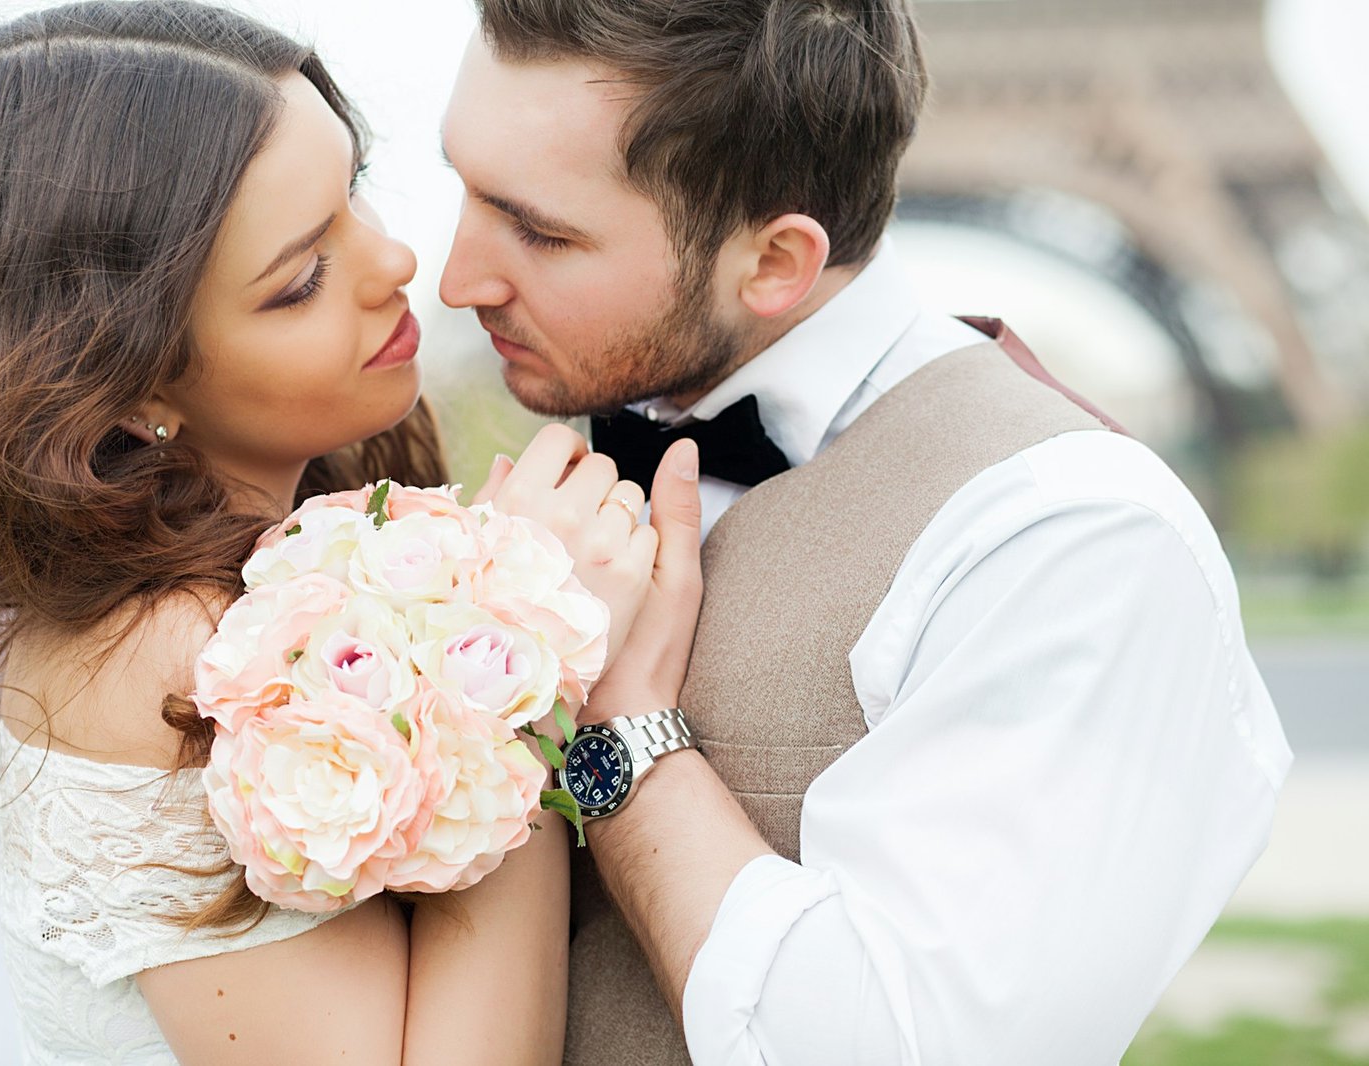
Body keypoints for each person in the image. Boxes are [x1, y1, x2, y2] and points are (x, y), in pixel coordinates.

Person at [438, 2, 1295, 1064]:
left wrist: (624, 727)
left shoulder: (1073, 537)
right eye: (461, 188)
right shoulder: (509, 477)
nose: (454, 278)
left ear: (775, 263)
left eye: (539, 231)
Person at [0, 2, 658, 1062]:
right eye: (300, 280)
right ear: (133, 382)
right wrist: (526, 664)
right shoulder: (164, 656)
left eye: (353, 194)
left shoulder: (277, 564)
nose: (396, 262)